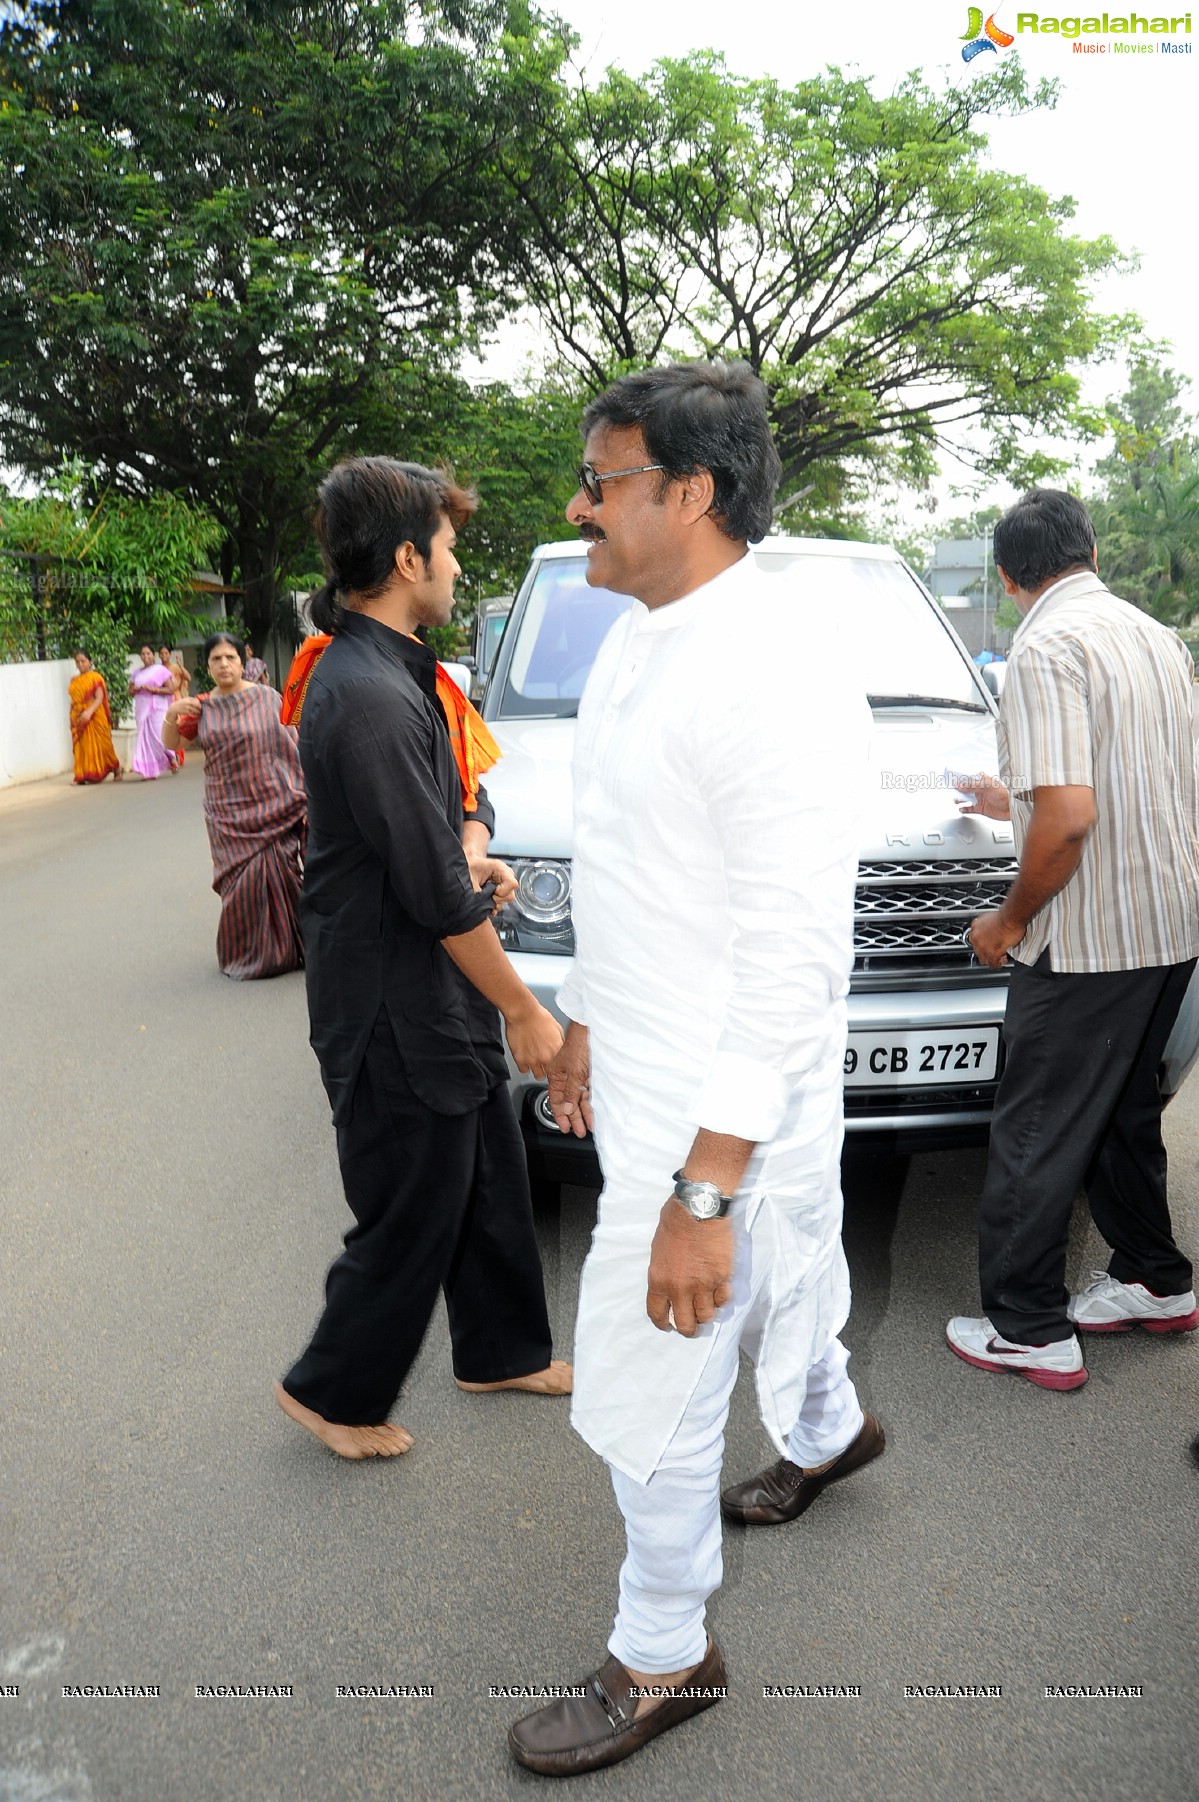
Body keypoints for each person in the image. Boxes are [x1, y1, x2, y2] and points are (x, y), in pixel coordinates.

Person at [507, 363, 883, 1779]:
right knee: (790, 1283)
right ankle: (829, 1425)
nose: (577, 504)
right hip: (659, 1075)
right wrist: (588, 1017)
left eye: (599, 481)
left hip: (724, 1113)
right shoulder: (636, 639)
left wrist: (702, 1193)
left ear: (690, 493)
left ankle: (664, 1646)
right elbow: (622, 860)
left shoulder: (766, 671)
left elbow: (786, 955)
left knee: (650, 1364)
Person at [274, 455, 571, 1463]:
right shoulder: (360, 691)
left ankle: (499, 1348)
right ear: (406, 557)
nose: (452, 562)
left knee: (488, 1161)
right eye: (444, 547)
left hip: (428, 982)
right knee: (416, 1195)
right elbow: (430, 892)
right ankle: (330, 1390)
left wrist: (474, 846)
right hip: (388, 998)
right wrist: (527, 1010)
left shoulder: (399, 670)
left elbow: (447, 828)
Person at [947, 488, 1199, 1391]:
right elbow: (1139, 777)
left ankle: (1026, 1326)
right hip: (1167, 928)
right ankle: (1151, 1279)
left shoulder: (1045, 645)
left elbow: (1068, 818)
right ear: (1088, 549)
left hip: (1086, 939)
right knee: (1122, 1116)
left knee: (1038, 1127)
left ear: (1010, 577)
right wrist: (1004, 795)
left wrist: (1006, 921)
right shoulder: (1154, 635)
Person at [162, 632, 307, 980]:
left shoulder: (269, 698)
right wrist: (171, 713)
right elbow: (174, 742)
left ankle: (297, 946)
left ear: (243, 662)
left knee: (284, 875)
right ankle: (249, 953)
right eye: (216, 659)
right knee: (240, 888)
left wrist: (298, 785)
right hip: (227, 813)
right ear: (207, 666)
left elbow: (293, 743)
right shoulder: (201, 707)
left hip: (276, 803)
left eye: (230, 658)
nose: (224, 665)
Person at [67, 651, 122, 785]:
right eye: (77, 662)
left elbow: (99, 697)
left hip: (95, 715)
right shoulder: (74, 680)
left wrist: (89, 712)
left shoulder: (95, 677)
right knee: (82, 746)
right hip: (78, 716)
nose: (80, 664)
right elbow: (74, 700)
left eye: (83, 661)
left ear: (90, 662)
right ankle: (81, 775)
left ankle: (116, 768)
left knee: (103, 745)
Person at [128, 644, 175, 778]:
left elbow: (170, 689)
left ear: (153, 655)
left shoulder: (160, 670)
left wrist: (154, 690)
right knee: (145, 738)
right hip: (141, 706)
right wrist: (134, 690)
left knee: (158, 736)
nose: (145, 656)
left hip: (157, 707)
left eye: (148, 653)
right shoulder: (137, 673)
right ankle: (149, 771)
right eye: (143, 654)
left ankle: (170, 756)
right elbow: (129, 691)